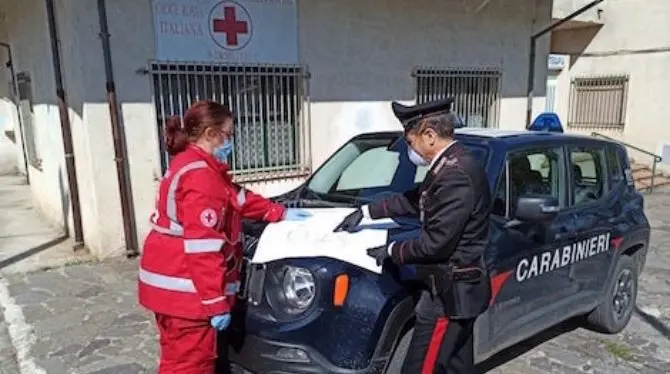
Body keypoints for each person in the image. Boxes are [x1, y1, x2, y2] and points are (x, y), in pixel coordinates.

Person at [138, 100, 311, 374]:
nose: (231, 141)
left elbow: (236, 197)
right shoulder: (201, 177)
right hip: (187, 291)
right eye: (228, 134)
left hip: (171, 287)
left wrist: (277, 212)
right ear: (210, 134)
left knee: (177, 360)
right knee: (191, 366)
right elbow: (202, 248)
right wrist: (215, 303)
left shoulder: (192, 163)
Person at [334, 99, 491, 374]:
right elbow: (415, 200)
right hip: (456, 291)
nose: (409, 149)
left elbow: (436, 244)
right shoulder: (449, 165)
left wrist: (393, 251)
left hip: (447, 296)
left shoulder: (455, 174)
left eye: (410, 141)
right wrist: (367, 211)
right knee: (456, 365)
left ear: (429, 136)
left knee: (421, 367)